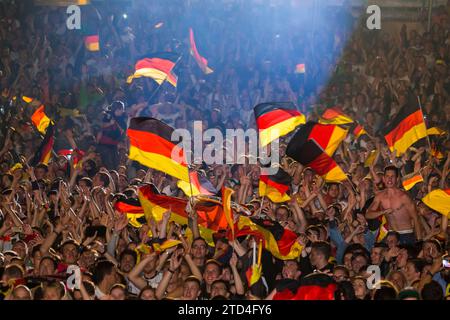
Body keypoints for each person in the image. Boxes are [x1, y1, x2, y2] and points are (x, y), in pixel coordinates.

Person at [366, 166, 423, 244]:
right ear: (383, 178)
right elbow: (368, 214)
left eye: (392, 176)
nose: (389, 179)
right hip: (391, 234)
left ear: (397, 179)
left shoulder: (404, 197)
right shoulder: (380, 196)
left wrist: (419, 240)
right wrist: (383, 212)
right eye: (387, 176)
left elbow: (416, 218)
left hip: (406, 233)